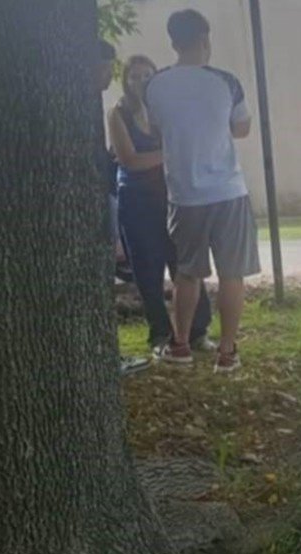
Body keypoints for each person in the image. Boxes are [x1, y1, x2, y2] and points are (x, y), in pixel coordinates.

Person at [146, 10, 261, 371]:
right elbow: (242, 128)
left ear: (173, 41)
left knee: (187, 273)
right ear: (205, 39)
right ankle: (227, 353)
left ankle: (180, 345)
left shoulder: (156, 85)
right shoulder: (226, 82)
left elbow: (155, 129)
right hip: (228, 191)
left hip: (184, 194)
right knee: (231, 274)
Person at [108, 55, 216, 356]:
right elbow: (130, 160)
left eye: (147, 75)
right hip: (136, 202)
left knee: (185, 264)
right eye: (134, 76)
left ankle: (197, 332)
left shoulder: (167, 110)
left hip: (173, 198)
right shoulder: (118, 113)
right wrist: (170, 153)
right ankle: (160, 336)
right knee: (147, 271)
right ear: (126, 81)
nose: (141, 81)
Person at [95, 41, 151, 376]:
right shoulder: (107, 110)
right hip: (104, 202)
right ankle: (107, 356)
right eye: (106, 66)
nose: (109, 74)